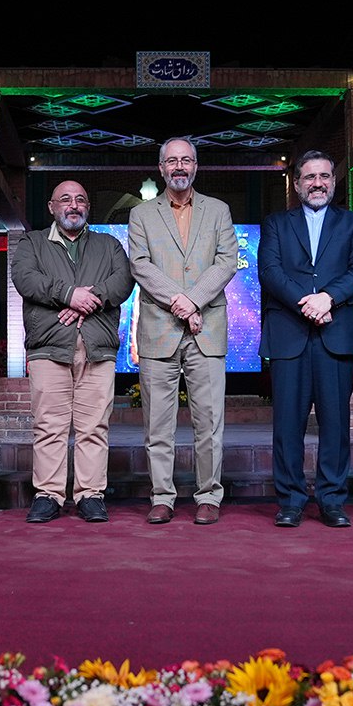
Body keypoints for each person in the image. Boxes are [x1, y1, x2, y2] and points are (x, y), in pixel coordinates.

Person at [258, 150, 353, 528]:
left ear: (334, 181)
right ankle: (290, 501)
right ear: (297, 184)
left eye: (325, 176)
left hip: (336, 332)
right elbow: (269, 271)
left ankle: (332, 501)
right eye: (310, 177)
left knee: (335, 424)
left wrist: (328, 298)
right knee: (287, 425)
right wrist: (305, 304)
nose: (318, 183)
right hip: (288, 334)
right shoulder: (276, 223)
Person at [127, 136, 238, 525]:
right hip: (159, 332)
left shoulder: (219, 210)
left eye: (186, 160)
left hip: (207, 331)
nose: (179, 166)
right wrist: (181, 302)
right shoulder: (141, 214)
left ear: (196, 166)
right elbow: (140, 265)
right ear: (161, 169)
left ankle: (208, 495)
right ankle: (162, 496)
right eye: (171, 161)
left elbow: (226, 262)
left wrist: (194, 302)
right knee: (158, 424)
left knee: (210, 423)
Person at [10, 180, 134, 523]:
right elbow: (25, 279)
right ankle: (48, 495)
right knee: (49, 425)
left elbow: (123, 280)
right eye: (65, 199)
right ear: (52, 207)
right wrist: (68, 294)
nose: (74, 205)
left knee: (94, 426)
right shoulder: (33, 243)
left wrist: (88, 300)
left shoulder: (109, 245)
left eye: (80, 199)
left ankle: (90, 495)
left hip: (97, 347)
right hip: (49, 346)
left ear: (88, 208)